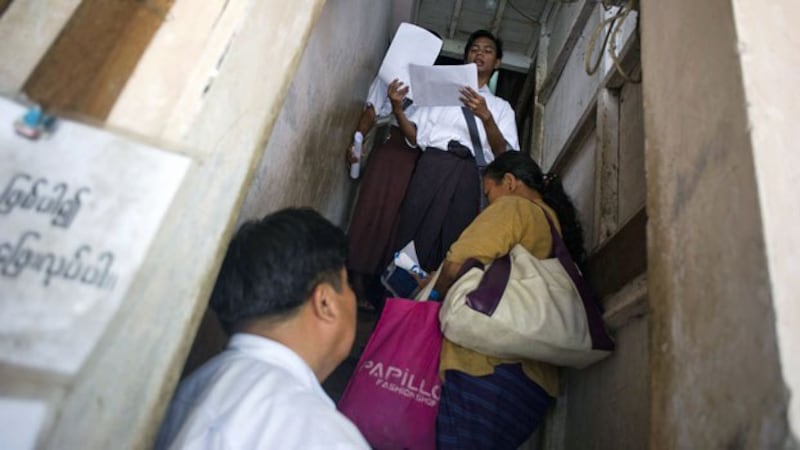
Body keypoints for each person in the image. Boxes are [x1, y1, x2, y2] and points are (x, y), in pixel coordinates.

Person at [155, 208, 370, 449]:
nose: (352, 296)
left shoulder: (181, 395)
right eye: (348, 284)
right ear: (325, 302)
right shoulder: (324, 436)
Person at [427, 151, 587, 449]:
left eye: (489, 194)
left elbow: (457, 263)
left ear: (510, 182)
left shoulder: (515, 208)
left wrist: (433, 292)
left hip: (484, 368)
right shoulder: (558, 232)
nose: (489, 203)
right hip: (532, 391)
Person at [390, 29, 520, 274]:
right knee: (412, 228)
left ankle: (434, 302)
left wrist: (487, 118)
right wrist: (398, 109)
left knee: (455, 237)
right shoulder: (440, 92)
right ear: (465, 57)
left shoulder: (501, 108)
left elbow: (504, 155)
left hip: (471, 175)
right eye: (474, 49)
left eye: (487, 50)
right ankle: (395, 298)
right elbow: (415, 135)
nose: (479, 53)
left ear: (497, 63)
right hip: (432, 166)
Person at [345, 78, 420, 312]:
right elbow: (370, 112)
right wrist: (357, 141)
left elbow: (421, 136)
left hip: (414, 159)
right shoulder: (386, 78)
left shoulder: (429, 90)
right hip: (387, 150)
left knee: (394, 222)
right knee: (369, 210)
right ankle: (355, 278)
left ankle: (378, 283)